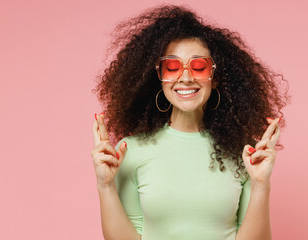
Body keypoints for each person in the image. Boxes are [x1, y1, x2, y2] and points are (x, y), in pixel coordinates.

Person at [91, 4, 290, 240]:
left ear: (214, 78)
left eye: (198, 67)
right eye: (172, 67)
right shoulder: (130, 151)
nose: (185, 77)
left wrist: (260, 183)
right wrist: (105, 186)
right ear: (159, 77)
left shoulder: (246, 154)